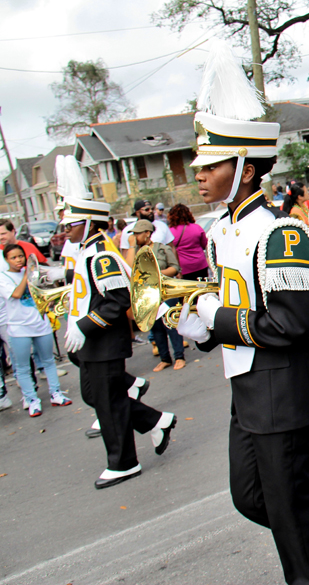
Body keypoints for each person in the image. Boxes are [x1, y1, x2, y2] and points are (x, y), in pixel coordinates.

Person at [176, 41, 309, 583]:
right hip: (248, 388)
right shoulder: (224, 232)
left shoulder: (281, 232)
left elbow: (289, 324)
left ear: (244, 169)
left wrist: (217, 318)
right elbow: (239, 309)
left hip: (283, 392)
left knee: (290, 519)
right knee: (250, 498)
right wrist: (201, 326)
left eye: (210, 164)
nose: (198, 174)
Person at [61, 180, 175, 489]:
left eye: (71, 224)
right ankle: (154, 421)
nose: (66, 229)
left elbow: (118, 302)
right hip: (94, 345)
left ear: (86, 224)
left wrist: (84, 326)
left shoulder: (101, 255)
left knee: (108, 404)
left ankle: (124, 462)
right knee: (98, 397)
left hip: (105, 344)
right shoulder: (86, 253)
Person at [0, 244, 71, 416]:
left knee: (48, 361)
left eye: (20, 256)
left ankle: (56, 393)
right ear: (6, 260)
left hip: (40, 323)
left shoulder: (34, 272)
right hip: (19, 328)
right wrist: (27, 274)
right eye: (13, 258)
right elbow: (16, 294)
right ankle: (32, 400)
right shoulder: (3, 277)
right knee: (23, 367)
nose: (18, 260)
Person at [125, 220, 185, 372]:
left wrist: (156, 275)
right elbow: (130, 269)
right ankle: (165, 358)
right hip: (147, 294)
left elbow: (175, 268)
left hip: (165, 292)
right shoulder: (136, 251)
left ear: (147, 233)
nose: (135, 236)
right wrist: (132, 246)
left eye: (137, 233)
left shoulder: (162, 249)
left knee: (171, 324)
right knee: (155, 327)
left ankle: (179, 356)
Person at [167, 203, 210, 281]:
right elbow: (204, 244)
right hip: (200, 264)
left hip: (184, 268)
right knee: (204, 289)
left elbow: (170, 251)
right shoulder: (197, 228)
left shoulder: (170, 232)